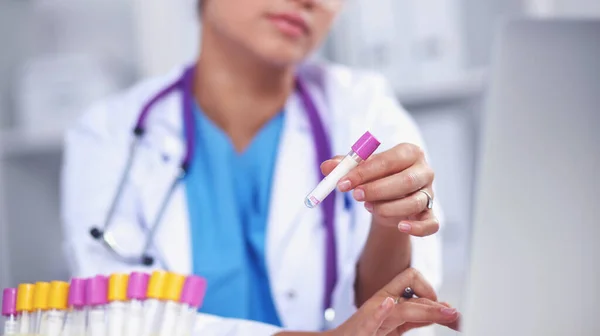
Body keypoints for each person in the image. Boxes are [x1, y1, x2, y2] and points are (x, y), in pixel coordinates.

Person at [60, 0, 454, 334]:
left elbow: (394, 309)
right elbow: (114, 318)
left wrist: (390, 224)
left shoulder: (365, 107)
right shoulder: (109, 133)